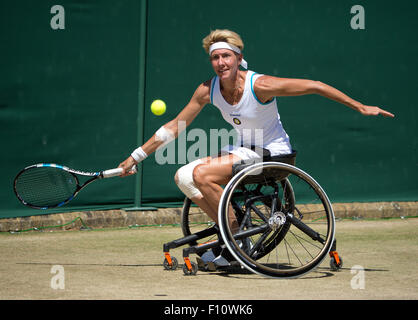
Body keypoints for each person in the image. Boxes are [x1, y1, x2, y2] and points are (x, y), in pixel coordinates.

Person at [118, 29, 394, 265]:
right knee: (183, 176)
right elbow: (176, 125)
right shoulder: (208, 89)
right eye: (215, 57)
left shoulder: (259, 85)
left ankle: (236, 242)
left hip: (273, 152)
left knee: (202, 175)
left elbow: (315, 85)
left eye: (226, 56)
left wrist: (359, 106)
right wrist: (136, 156)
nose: (220, 62)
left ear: (238, 57)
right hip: (243, 148)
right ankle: (232, 231)